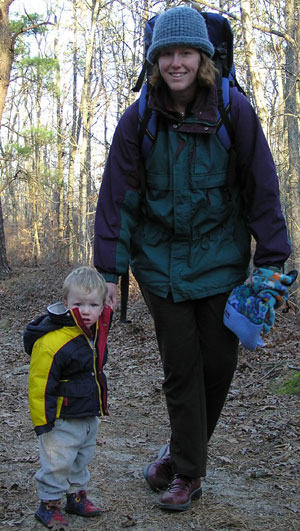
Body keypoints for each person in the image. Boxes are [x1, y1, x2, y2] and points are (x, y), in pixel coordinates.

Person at [93, 6, 291, 512]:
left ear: (203, 58)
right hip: (159, 265)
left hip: (222, 261)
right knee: (182, 369)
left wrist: (271, 260)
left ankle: (175, 453)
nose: (175, 63)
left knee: (219, 365)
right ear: (154, 59)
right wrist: (110, 271)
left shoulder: (235, 112)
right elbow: (119, 198)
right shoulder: (138, 119)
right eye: (166, 54)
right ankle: (188, 473)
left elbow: (261, 189)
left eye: (186, 53)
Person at [24, 266, 111, 529]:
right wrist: (43, 422)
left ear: (102, 306)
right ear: (65, 303)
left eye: (93, 304)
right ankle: (49, 503)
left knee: (81, 459)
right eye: (78, 304)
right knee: (57, 462)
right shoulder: (52, 342)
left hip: (86, 414)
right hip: (60, 418)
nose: (86, 311)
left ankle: (76, 496)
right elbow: (39, 385)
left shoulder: (94, 333)